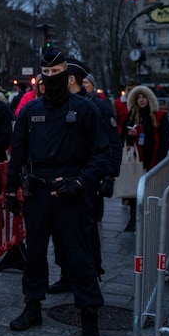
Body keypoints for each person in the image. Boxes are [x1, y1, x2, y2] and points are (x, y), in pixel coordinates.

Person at [5, 48, 109, 336]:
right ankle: (32, 307)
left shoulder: (86, 110)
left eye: (57, 72)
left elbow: (101, 155)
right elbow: (17, 154)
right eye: (46, 73)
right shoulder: (29, 111)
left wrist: (80, 181)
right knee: (35, 253)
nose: (51, 78)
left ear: (68, 74)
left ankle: (89, 316)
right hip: (38, 192)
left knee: (79, 255)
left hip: (72, 192)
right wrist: (11, 190)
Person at [47, 59, 121, 293]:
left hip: (87, 180)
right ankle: (66, 274)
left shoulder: (96, 108)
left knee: (86, 231)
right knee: (59, 232)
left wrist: (109, 176)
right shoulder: (57, 105)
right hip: (60, 181)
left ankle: (91, 274)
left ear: (70, 79)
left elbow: (111, 144)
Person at [121, 84, 169, 232]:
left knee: (150, 193)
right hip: (135, 162)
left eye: (144, 97)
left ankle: (149, 221)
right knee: (134, 193)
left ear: (149, 98)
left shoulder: (159, 116)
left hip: (153, 160)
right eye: (138, 98)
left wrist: (159, 162)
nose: (141, 100)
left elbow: (165, 141)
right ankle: (134, 219)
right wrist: (129, 137)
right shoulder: (131, 117)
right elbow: (122, 137)